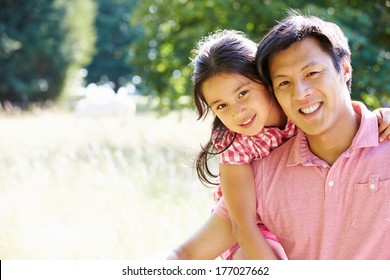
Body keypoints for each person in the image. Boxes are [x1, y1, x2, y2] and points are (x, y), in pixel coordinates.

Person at [167, 27, 390, 260]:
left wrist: (380, 118)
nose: (238, 112)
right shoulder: (243, 156)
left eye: (243, 93)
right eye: (222, 106)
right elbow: (239, 228)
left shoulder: (370, 133)